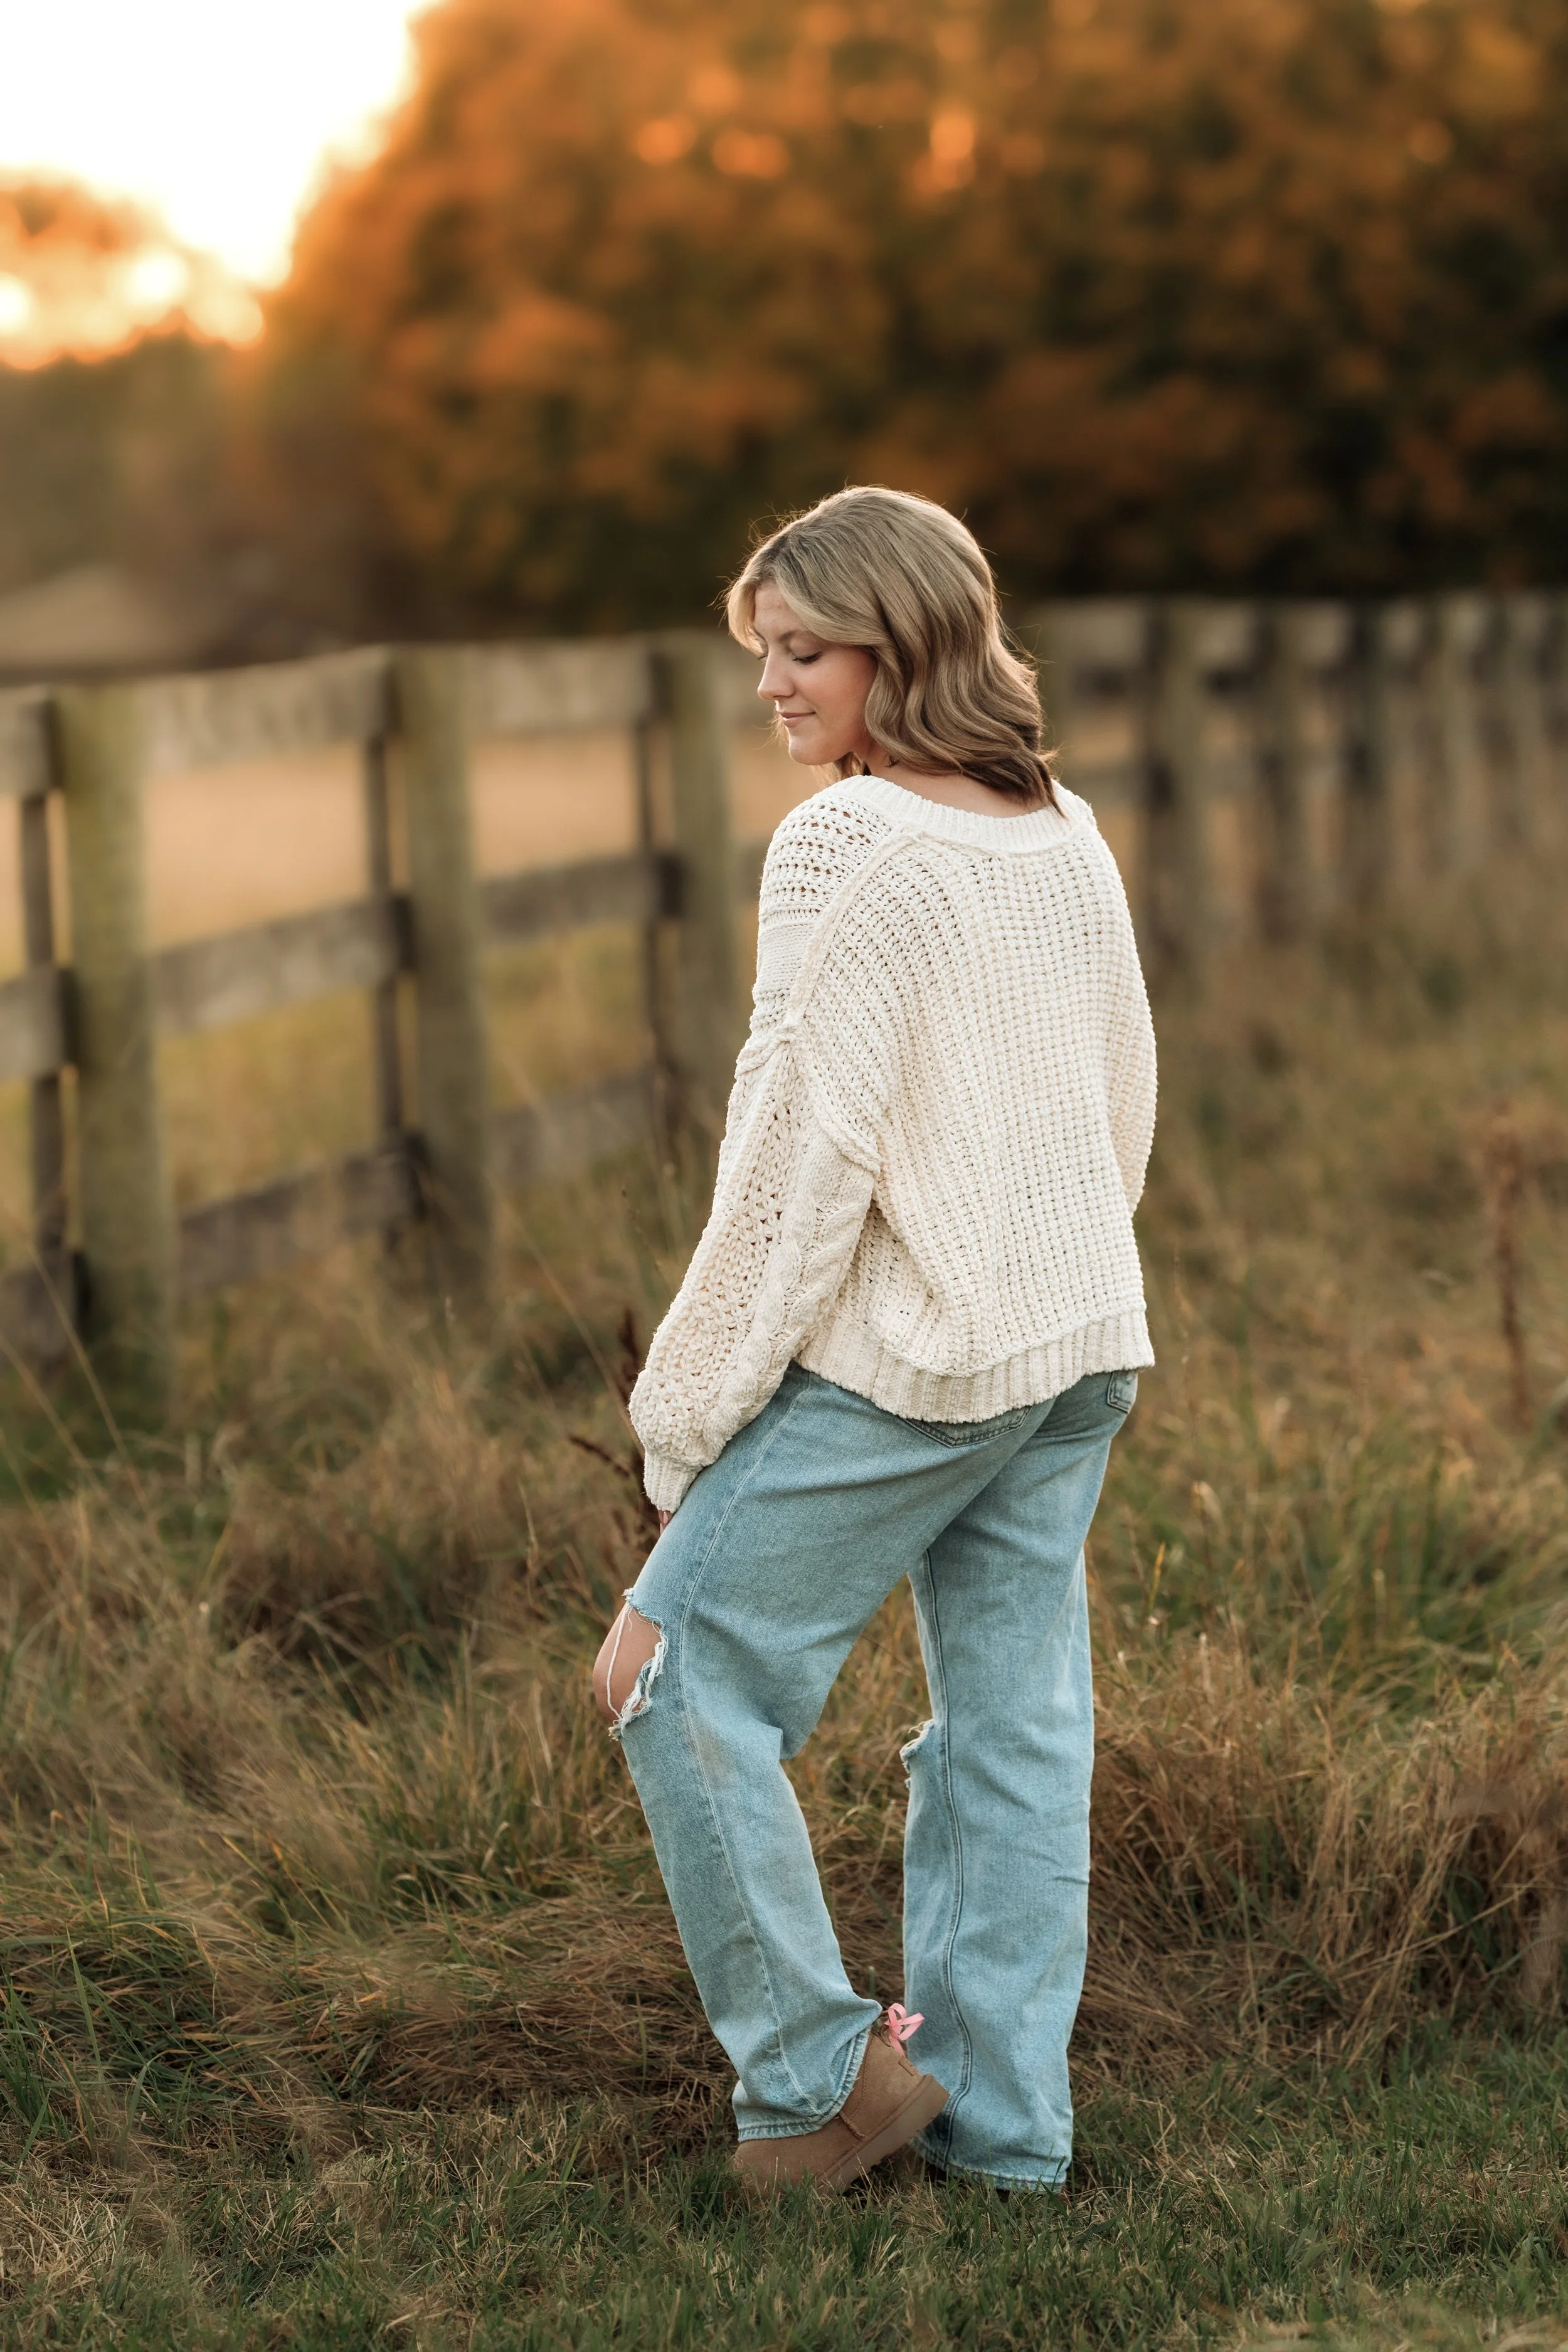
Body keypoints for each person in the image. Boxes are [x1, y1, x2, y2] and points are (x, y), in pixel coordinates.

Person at [592, 485, 1155, 2196]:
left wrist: (686, 1419)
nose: (770, 682)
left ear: (899, 645)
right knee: (1012, 1731)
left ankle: (828, 2078)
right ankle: (1006, 2134)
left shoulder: (849, 843)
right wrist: (1059, 1272)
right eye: (762, 650)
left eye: (803, 651)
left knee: (669, 1672)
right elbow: (1119, 1094)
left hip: (930, 1361)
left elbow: (793, 1162)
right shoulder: (1059, 826)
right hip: (1077, 1337)